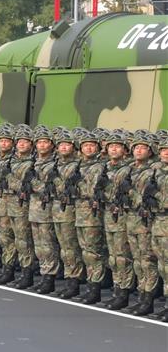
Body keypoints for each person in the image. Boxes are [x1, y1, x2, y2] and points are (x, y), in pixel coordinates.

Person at [124, 131, 159, 316]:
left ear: (150, 151)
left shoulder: (153, 172)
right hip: (130, 220)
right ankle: (140, 295)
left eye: (143, 148)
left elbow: (147, 199)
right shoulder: (130, 169)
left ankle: (148, 299)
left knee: (147, 261)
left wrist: (129, 192)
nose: (139, 150)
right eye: (136, 147)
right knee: (137, 261)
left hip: (145, 221)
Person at [73, 128, 109, 304]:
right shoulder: (79, 166)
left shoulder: (100, 167)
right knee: (85, 252)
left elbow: (96, 190)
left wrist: (77, 189)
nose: (88, 149)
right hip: (80, 213)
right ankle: (89, 285)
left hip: (93, 215)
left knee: (93, 253)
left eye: (91, 146)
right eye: (85, 146)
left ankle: (95, 288)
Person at [102, 130, 136, 310]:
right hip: (108, 216)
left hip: (122, 217)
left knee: (123, 257)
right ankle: (117, 289)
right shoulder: (105, 167)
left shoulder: (128, 169)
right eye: (111, 146)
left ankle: (124, 292)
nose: (114, 150)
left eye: (118, 146)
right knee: (113, 257)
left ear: (125, 150)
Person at [50, 128, 84, 298]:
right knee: (64, 248)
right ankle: (68, 279)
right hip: (57, 210)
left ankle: (74, 282)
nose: (63, 147)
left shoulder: (78, 165)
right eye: (61, 144)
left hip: (70, 211)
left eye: (67, 144)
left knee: (71, 248)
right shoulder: (56, 164)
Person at [4, 124, 37, 289]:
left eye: (25, 142)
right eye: (19, 142)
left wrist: (12, 182)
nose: (22, 144)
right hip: (9, 205)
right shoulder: (11, 160)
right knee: (9, 239)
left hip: (22, 206)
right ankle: (8, 269)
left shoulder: (33, 162)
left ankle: (27, 274)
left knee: (24, 241)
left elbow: (28, 183)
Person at [28, 126, 60, 294]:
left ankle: (50, 278)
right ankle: (43, 274)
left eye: (45, 142)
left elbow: (49, 187)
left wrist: (32, 184)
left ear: (51, 145)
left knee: (48, 245)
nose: (42, 145)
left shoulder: (54, 165)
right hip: (33, 210)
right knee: (39, 246)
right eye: (39, 142)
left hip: (46, 210)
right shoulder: (34, 162)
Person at [0, 124, 17, 283]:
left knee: (18, 240)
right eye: (1, 141)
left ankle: (13, 270)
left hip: (14, 204)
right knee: (3, 238)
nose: (4, 144)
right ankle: (5, 268)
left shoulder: (14, 161)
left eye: (7, 141)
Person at [150, 134, 168, 321]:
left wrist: (155, 197)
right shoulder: (156, 172)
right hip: (157, 224)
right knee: (162, 265)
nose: (166, 153)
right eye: (163, 150)